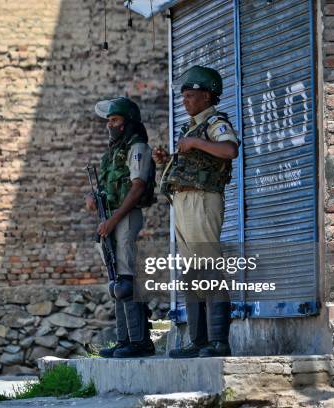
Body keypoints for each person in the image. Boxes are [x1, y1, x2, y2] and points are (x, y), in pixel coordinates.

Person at [153, 66, 239, 358]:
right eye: (184, 96)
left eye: (190, 96)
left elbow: (229, 150)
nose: (185, 101)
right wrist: (166, 161)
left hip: (203, 201)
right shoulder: (190, 127)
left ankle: (219, 342)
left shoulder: (215, 121)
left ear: (206, 96)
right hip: (184, 201)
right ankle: (198, 341)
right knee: (190, 273)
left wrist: (196, 143)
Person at [85, 97, 156, 358]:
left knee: (126, 282)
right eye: (109, 121)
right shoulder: (112, 152)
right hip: (111, 218)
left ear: (127, 123)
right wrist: (92, 199)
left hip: (125, 216)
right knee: (116, 281)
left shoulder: (137, 148)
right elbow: (107, 188)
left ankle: (139, 342)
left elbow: (137, 188)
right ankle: (124, 340)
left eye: (114, 121)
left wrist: (114, 220)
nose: (110, 126)